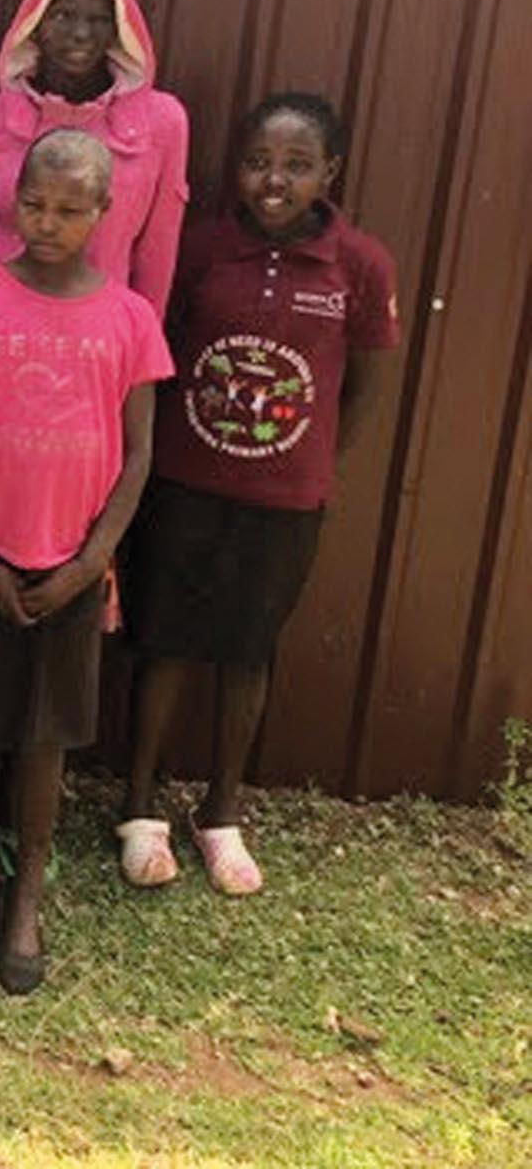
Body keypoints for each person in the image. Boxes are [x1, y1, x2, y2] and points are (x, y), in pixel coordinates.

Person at [119, 94, 399, 896]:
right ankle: (139, 806)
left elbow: (363, 387)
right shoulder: (202, 249)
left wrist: (311, 461)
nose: (273, 180)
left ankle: (221, 812)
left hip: (283, 499)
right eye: (256, 162)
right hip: (184, 485)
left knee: (248, 650)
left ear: (329, 172)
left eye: (296, 165)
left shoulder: (359, 265)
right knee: (165, 640)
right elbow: (158, 353)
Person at [0, 130, 172, 995]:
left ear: (104, 212)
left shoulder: (129, 319)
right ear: (9, 202)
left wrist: (90, 563)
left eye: (69, 209)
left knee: (46, 740)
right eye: (33, 204)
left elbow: (138, 454)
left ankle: (26, 890)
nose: (47, 222)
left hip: (72, 569)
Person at [0, 0, 190, 317]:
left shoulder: (161, 125)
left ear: (119, 28)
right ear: (34, 23)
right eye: (62, 15)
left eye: (99, 19)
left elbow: (158, 253)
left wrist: (140, 342)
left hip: (99, 334)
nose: (80, 33)